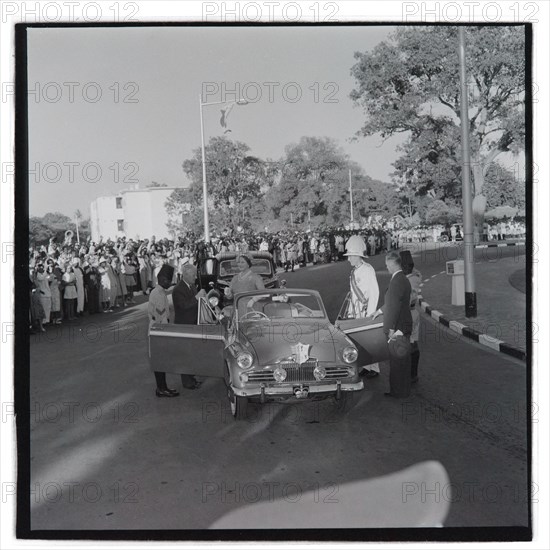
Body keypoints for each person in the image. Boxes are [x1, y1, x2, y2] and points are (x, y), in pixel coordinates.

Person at [372, 251, 412, 398]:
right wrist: (380, 310)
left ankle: (398, 392)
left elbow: (394, 307)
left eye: (387, 265)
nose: (386, 267)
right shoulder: (402, 279)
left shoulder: (396, 281)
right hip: (403, 325)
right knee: (402, 360)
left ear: (392, 263)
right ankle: (403, 390)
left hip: (398, 328)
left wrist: (390, 329)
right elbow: (394, 301)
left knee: (397, 362)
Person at [343, 235, 380, 379]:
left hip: (365, 311)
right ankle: (365, 366)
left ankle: (374, 369)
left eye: (350, 256)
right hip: (356, 310)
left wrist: (370, 314)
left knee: (369, 340)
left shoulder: (368, 269)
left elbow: (374, 292)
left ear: (358, 255)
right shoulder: (354, 271)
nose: (348, 259)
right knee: (358, 340)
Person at [148, 264, 180, 397]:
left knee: (161, 360)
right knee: (159, 361)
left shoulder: (160, 292)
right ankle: (161, 388)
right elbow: (160, 316)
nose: (169, 283)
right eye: (167, 280)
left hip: (159, 329)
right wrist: (166, 332)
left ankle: (162, 387)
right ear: (160, 279)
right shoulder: (158, 294)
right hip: (159, 330)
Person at [172, 264, 205, 390]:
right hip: (184, 325)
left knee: (192, 354)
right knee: (185, 354)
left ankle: (191, 378)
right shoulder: (177, 289)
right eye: (193, 275)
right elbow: (183, 306)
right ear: (185, 275)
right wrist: (197, 298)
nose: (195, 277)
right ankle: (187, 382)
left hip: (193, 324)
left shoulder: (192, 286)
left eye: (195, 274)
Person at [400, 250, 422, 384]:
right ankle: (411, 374)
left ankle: (412, 374)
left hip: (409, 313)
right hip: (413, 313)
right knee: (411, 343)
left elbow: (410, 298)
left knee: (410, 344)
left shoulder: (411, 279)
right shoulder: (414, 275)